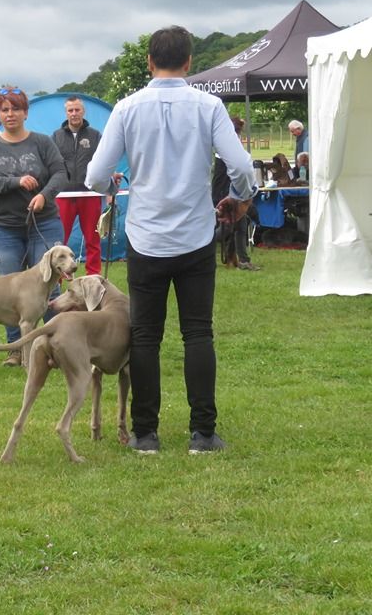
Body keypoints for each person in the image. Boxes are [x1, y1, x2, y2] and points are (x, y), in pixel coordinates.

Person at [85, 26, 257, 455]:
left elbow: (93, 177)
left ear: (148, 62)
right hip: (195, 235)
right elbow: (240, 166)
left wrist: (119, 180)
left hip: (145, 238)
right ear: (188, 63)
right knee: (198, 333)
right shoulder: (209, 105)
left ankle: (145, 434)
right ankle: (203, 434)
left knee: (145, 336)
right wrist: (237, 198)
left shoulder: (126, 108)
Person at [0, 86, 67, 366]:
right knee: (10, 290)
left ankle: (57, 347)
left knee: (51, 286)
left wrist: (43, 195)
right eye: (4, 109)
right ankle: (17, 349)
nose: (10, 114)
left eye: (15, 108)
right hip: (1, 227)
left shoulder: (42, 142)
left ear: (25, 112)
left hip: (44, 223)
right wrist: (15, 182)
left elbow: (61, 174)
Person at [53, 95, 104, 275]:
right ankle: (57, 281)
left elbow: (103, 161)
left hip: (89, 194)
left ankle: (94, 278)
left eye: (77, 110)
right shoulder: (57, 136)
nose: (74, 113)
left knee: (93, 239)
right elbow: (51, 164)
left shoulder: (95, 135)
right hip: (64, 195)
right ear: (66, 113)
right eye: (70, 110)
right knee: (60, 241)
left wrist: (110, 178)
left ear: (83, 111)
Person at [212, 117, 259, 271]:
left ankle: (237, 259)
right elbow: (239, 169)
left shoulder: (226, 142)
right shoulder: (228, 145)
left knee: (238, 226)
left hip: (226, 191)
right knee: (228, 228)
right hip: (226, 193)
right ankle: (201, 247)